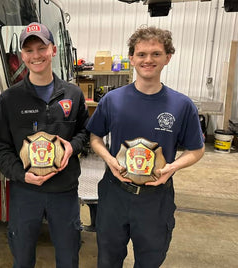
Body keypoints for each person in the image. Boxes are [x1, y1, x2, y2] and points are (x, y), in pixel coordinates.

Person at [87, 26, 205, 268]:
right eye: (141, 54)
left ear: (168, 58)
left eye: (156, 54)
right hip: (114, 194)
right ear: (132, 58)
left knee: (150, 261)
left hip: (155, 199)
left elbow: (196, 149)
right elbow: (95, 137)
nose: (148, 60)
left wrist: (172, 168)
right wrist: (109, 160)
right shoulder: (112, 100)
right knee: (107, 260)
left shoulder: (182, 105)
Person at [0, 22, 89, 268]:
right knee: (22, 257)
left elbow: (86, 134)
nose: (36, 55)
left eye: (41, 48)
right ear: (22, 56)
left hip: (64, 191)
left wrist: (72, 147)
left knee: (68, 256)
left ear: (53, 50)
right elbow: (1, 148)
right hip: (26, 193)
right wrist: (22, 176)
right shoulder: (10, 99)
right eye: (29, 50)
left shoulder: (73, 94)